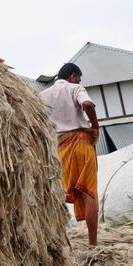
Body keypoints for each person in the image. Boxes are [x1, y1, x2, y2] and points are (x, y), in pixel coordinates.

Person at [39, 63, 100, 245]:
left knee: (57, 192)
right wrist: (95, 127)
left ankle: (57, 238)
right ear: (73, 76)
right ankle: (93, 243)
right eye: (78, 78)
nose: (79, 81)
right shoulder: (75, 88)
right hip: (81, 142)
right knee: (89, 192)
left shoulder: (42, 95)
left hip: (59, 147)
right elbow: (87, 103)